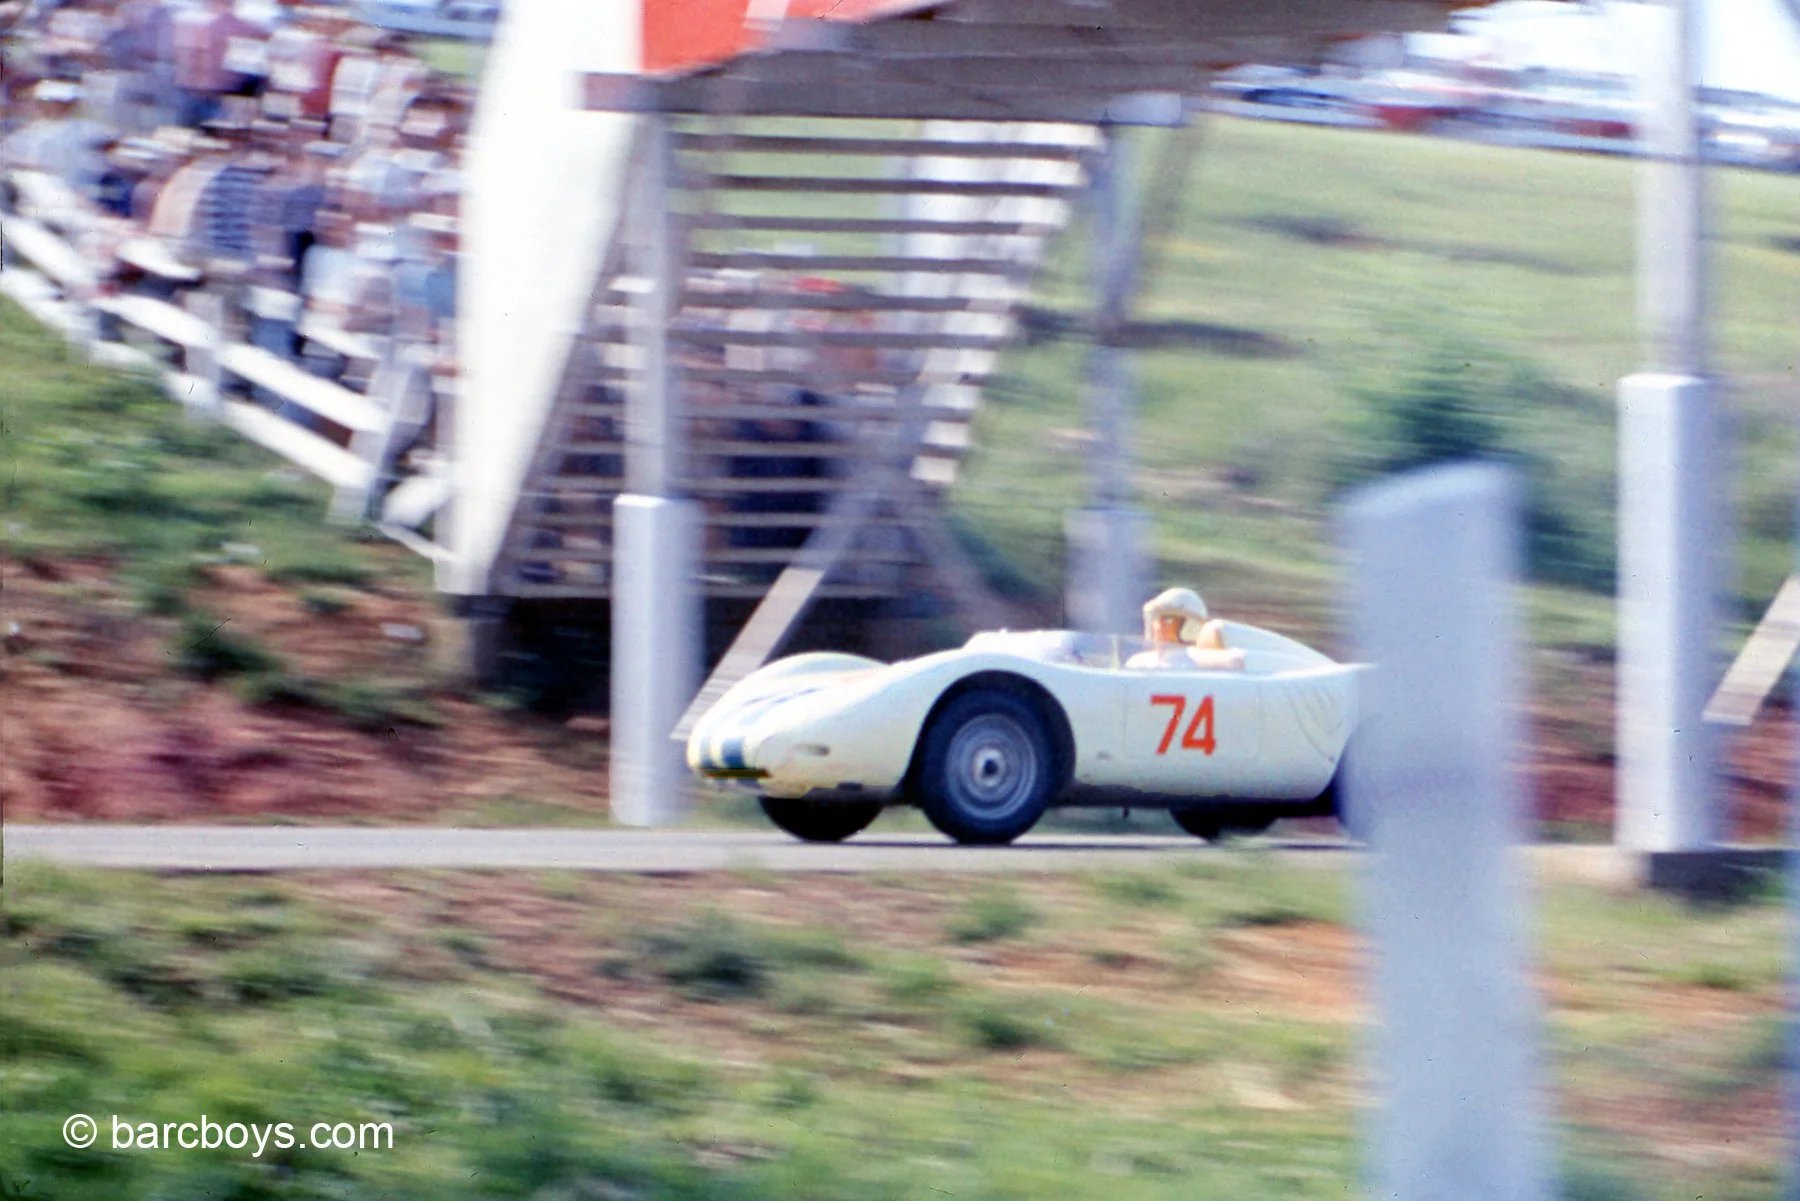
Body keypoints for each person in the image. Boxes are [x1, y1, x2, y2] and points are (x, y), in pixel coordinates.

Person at [1124, 588, 1247, 672]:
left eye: (1168, 620)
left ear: (1190, 627)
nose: (1158, 626)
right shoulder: (1138, 663)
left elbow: (1236, 662)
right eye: (1157, 619)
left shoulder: (1199, 665)